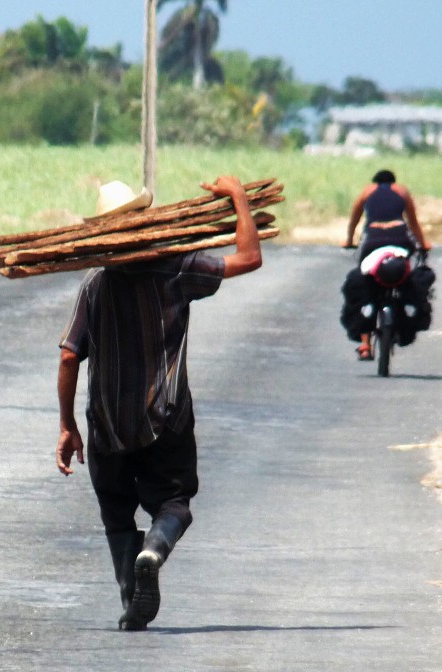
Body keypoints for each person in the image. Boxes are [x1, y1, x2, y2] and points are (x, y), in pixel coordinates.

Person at [56, 175, 263, 631]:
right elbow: (249, 257)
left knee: (115, 513)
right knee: (173, 502)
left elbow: (70, 354)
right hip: (166, 417)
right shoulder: (177, 268)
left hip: (106, 424)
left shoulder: (95, 285)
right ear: (146, 220)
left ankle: (133, 601)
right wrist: (239, 199)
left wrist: (68, 425)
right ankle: (154, 550)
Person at [341, 170, 432, 360]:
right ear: (393, 181)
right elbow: (413, 223)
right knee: (404, 273)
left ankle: (365, 345)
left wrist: (349, 240)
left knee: (365, 280)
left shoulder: (367, 191)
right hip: (399, 236)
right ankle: (402, 313)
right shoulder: (402, 191)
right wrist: (423, 244)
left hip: (373, 237)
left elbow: (354, 220)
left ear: (375, 181)